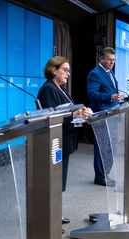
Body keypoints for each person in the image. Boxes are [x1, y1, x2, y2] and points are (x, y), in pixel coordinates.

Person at [37, 56, 92, 226]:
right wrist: (74, 114)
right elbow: (50, 117)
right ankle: (50, 218)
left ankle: (56, 214)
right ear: (54, 70)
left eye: (69, 70)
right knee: (54, 182)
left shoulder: (59, 88)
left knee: (58, 182)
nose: (68, 74)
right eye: (65, 70)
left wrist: (80, 111)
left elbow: (69, 109)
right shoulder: (48, 89)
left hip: (64, 140)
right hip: (55, 141)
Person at [87, 47, 122, 186]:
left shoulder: (110, 72)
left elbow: (113, 92)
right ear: (101, 59)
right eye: (109, 60)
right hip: (102, 114)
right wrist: (110, 96)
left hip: (112, 114)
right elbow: (93, 94)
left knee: (111, 146)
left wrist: (120, 100)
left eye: (113, 60)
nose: (112, 62)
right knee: (102, 146)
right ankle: (100, 176)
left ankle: (106, 174)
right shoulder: (95, 74)